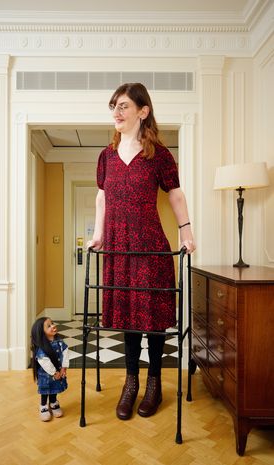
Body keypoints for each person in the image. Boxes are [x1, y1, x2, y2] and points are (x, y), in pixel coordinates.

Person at [87, 82, 196, 421]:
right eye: (114, 108)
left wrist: (186, 232)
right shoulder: (106, 156)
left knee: (152, 320)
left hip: (150, 246)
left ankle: (154, 384)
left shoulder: (159, 155)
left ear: (142, 111)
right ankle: (130, 382)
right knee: (128, 320)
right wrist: (100, 234)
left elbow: (175, 195)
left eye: (122, 106)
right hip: (119, 248)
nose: (116, 113)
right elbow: (102, 197)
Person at [31, 317, 69, 421]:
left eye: (52, 323)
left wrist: (63, 368)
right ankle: (43, 406)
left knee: (54, 389)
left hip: (58, 372)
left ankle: (53, 402)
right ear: (41, 332)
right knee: (45, 390)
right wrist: (54, 372)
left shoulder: (59, 342)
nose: (53, 326)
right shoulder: (41, 348)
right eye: (49, 326)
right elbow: (44, 362)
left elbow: (65, 352)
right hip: (46, 375)